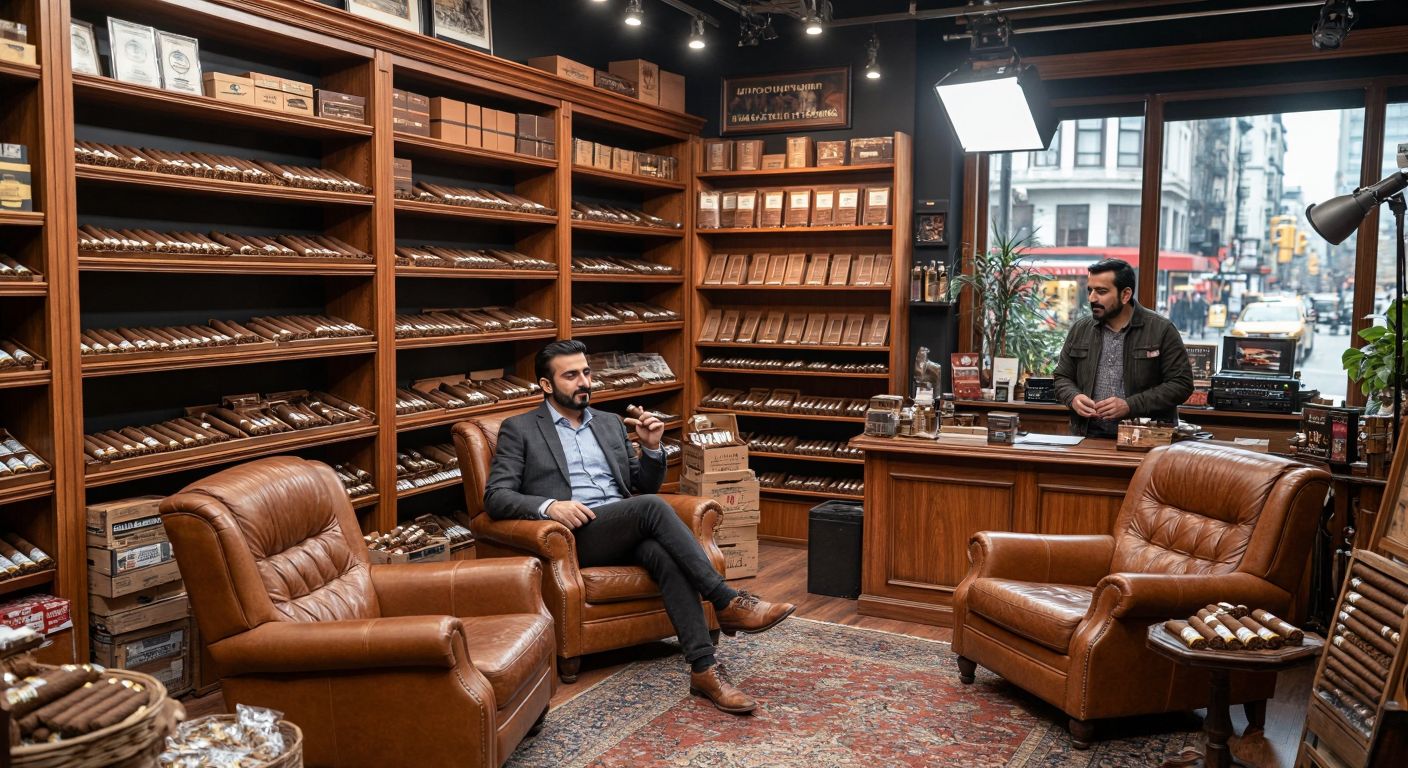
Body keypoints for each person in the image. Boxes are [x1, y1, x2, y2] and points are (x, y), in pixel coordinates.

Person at [484, 340, 795, 715]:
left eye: (586, 372)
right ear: (547, 385)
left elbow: (640, 485)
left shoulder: (610, 423)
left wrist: (650, 449)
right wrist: (550, 506)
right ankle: (725, 600)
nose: (583, 381)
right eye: (571, 375)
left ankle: (704, 670)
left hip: (623, 525)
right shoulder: (520, 429)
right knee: (650, 507)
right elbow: (496, 496)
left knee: (662, 552)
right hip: (576, 535)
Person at [1052, 259, 1194, 437]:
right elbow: (1062, 377)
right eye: (1090, 290)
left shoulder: (1161, 329)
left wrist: (1130, 405)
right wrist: (1073, 397)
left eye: (1101, 291)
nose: (1092, 298)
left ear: (1126, 295)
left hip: (1144, 439)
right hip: (1087, 436)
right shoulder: (1080, 329)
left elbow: (1181, 384)